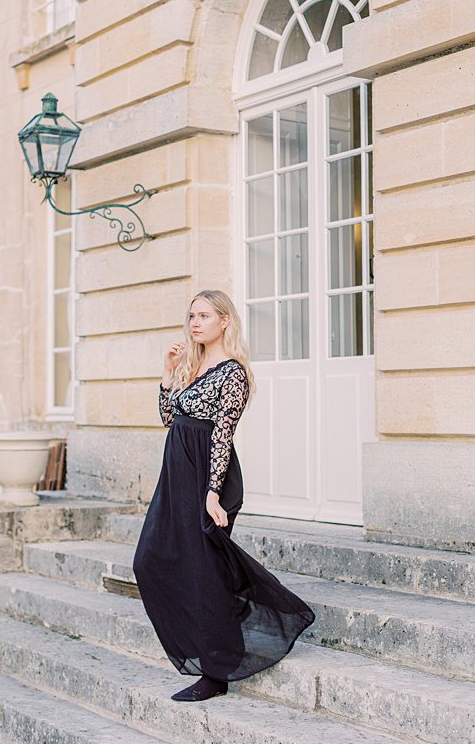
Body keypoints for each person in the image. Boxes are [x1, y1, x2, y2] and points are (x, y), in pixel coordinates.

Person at [133, 289, 315, 701]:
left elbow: (222, 435)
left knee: (204, 570)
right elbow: (169, 418)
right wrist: (167, 372)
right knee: (150, 560)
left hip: (207, 477)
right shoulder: (192, 365)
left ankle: (216, 671)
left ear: (224, 321)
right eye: (191, 315)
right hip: (176, 476)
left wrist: (213, 494)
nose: (195, 322)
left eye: (204, 315)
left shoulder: (233, 371)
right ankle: (221, 635)